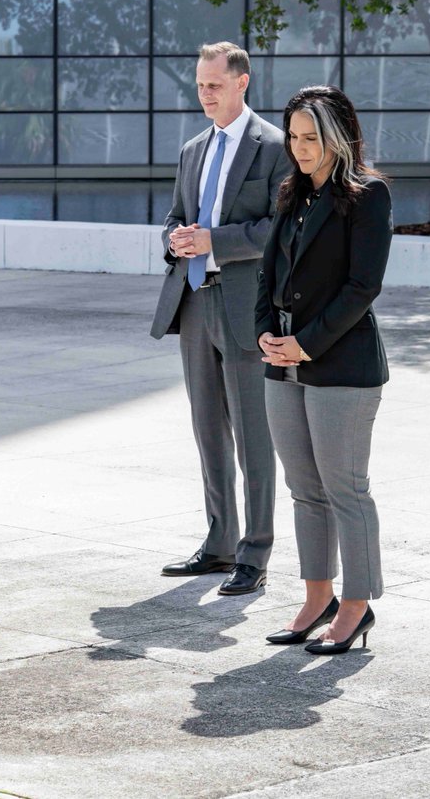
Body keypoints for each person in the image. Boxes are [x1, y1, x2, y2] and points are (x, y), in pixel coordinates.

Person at [151, 42, 291, 595]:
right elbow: (174, 217)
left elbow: (279, 229)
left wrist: (215, 241)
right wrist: (176, 239)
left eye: (214, 84)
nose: (205, 94)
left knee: (254, 435)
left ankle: (255, 554)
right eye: (200, 85)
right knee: (208, 431)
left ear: (242, 82)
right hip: (193, 303)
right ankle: (219, 544)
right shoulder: (193, 150)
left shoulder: (274, 147)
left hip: (244, 309)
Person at [256, 85, 392, 654]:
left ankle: (357, 607)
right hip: (281, 362)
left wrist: (305, 345)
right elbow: (268, 273)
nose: (300, 147)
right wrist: (265, 332)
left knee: (345, 490)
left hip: (341, 363)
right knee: (304, 490)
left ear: (339, 137)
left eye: (311, 137)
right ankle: (318, 599)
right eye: (293, 137)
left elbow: (363, 286)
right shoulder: (292, 193)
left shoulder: (368, 195)